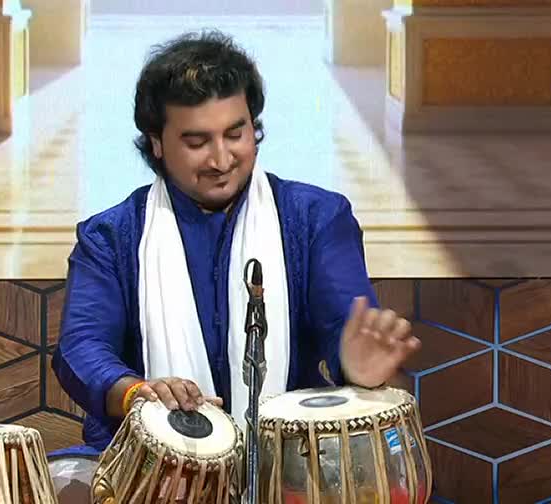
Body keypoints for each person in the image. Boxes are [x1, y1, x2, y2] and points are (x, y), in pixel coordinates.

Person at [52, 30, 421, 453]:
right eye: (197, 142)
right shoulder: (111, 237)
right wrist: (139, 394)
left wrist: (357, 368)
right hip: (149, 460)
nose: (221, 159)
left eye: (235, 134)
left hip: (290, 461)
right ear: (156, 142)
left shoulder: (315, 218)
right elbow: (81, 348)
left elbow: (347, 325)